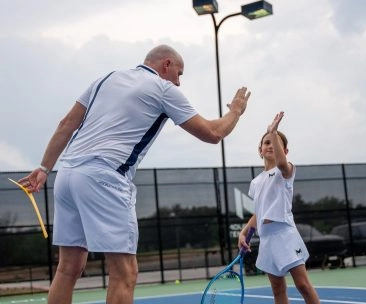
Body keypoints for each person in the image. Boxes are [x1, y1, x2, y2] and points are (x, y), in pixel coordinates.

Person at [18, 44, 251, 304]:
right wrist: (235, 111)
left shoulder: (105, 79)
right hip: (104, 177)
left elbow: (66, 124)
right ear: (166, 64)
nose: (179, 81)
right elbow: (213, 133)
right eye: (179, 73)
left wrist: (44, 168)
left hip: (67, 175)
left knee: (67, 268)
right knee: (125, 273)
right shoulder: (163, 89)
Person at [238, 112, 320, 304]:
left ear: (284, 150)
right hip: (266, 239)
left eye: (274, 143)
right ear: (259, 150)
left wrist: (273, 132)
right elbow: (259, 213)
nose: (269, 145)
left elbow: (282, 163)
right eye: (266, 142)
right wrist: (244, 232)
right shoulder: (256, 182)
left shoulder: (285, 170)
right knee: (277, 290)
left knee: (303, 286)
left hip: (285, 234)